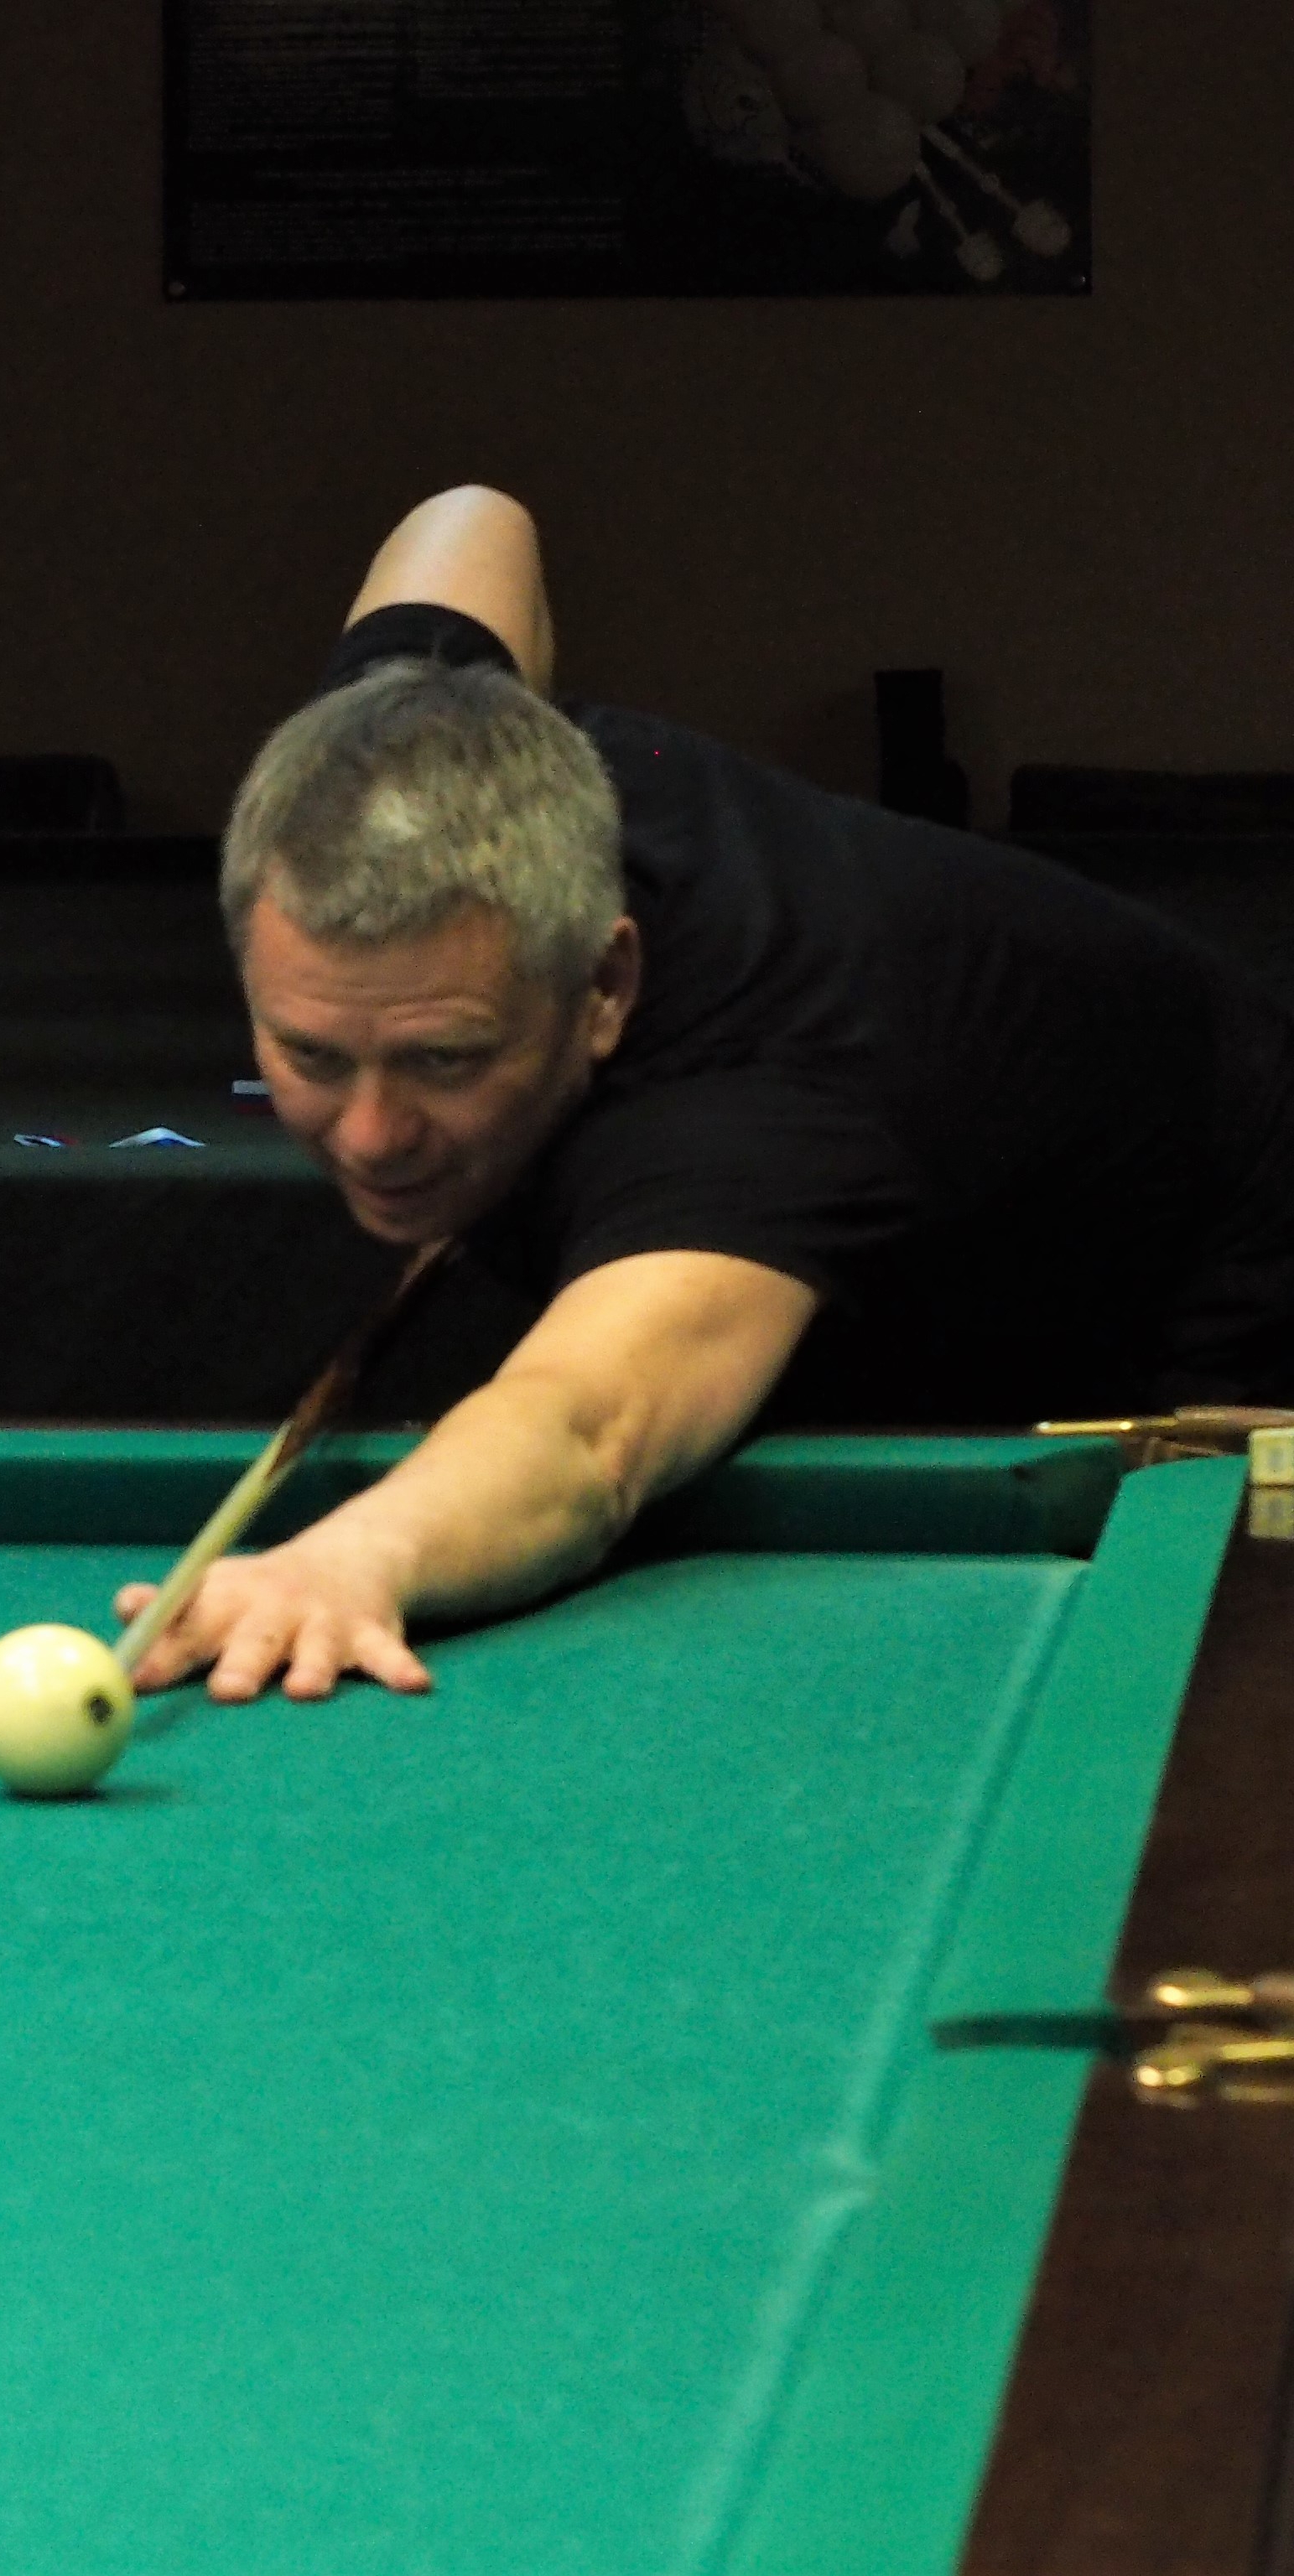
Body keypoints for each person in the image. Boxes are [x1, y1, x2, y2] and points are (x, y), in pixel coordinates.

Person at [137, 486, 1294, 1705]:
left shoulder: (752, 1101)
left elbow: (588, 1429)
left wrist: (355, 1555)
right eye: (315, 1056)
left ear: (605, 986)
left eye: (446, 1060)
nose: (372, 1136)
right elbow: (475, 519)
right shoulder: (400, 746)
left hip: (1221, 1248)